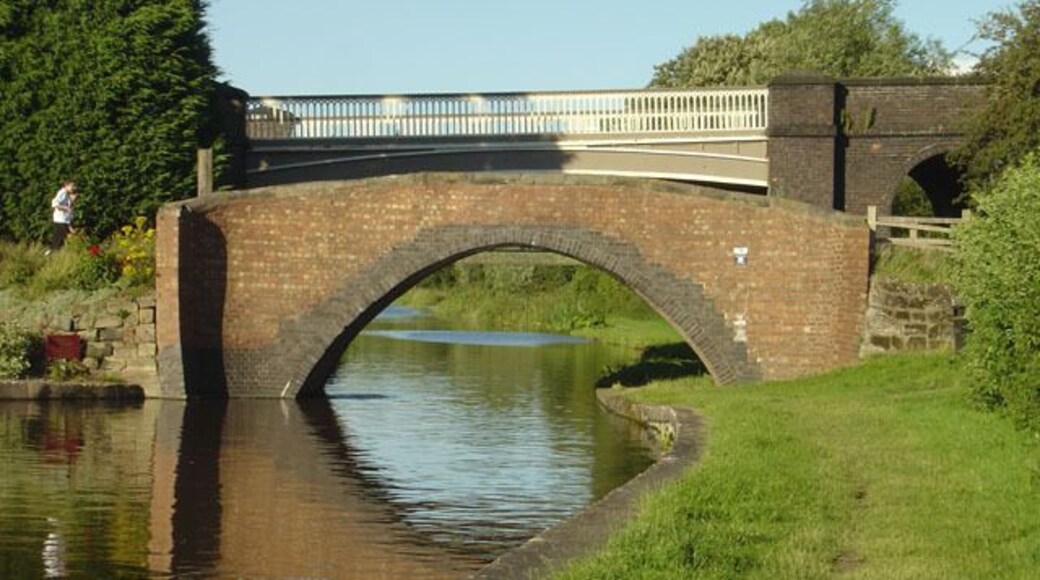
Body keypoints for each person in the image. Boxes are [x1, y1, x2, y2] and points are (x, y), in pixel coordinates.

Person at [47, 180, 78, 254]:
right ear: (66, 185)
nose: (73, 188)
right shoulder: (62, 192)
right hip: (59, 220)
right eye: (72, 186)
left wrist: (70, 228)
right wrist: (65, 208)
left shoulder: (69, 202)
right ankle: (51, 254)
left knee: (58, 240)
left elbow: (68, 220)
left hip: (63, 221)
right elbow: (54, 203)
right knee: (65, 239)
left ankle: (51, 253)